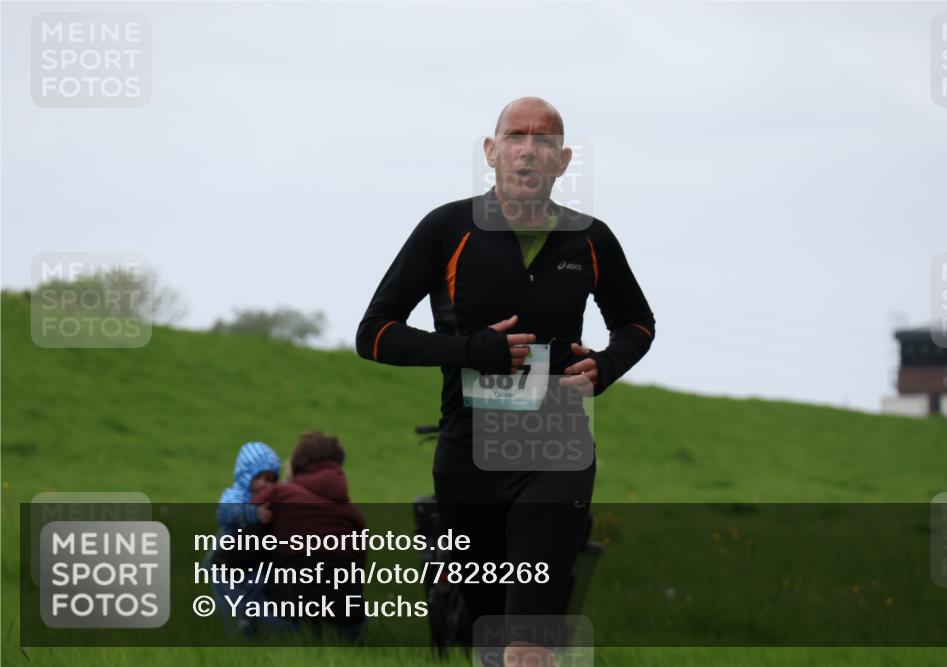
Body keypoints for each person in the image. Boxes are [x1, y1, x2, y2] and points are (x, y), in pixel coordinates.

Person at [356, 97, 655, 666]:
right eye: (516, 137)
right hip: (467, 457)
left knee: (527, 640)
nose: (528, 151)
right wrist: (470, 350)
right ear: (491, 152)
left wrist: (607, 366)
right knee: (490, 636)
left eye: (544, 141)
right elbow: (374, 334)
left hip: (556, 450)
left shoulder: (591, 239)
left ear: (563, 161)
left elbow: (637, 324)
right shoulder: (447, 229)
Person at [252, 429, 368, 641]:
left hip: (293, 611)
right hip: (346, 616)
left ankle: (246, 631)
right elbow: (359, 571)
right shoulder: (353, 514)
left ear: (297, 464)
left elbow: (250, 512)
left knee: (226, 555)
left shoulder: (281, 494)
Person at [210, 441, 281, 634]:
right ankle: (234, 627)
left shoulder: (268, 501)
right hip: (229, 554)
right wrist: (253, 513)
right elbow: (225, 513)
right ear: (245, 475)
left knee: (257, 585)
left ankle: (253, 623)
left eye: (271, 479)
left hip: (252, 554)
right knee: (229, 591)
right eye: (260, 478)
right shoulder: (235, 496)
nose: (266, 484)